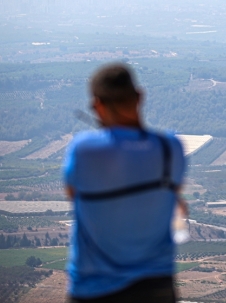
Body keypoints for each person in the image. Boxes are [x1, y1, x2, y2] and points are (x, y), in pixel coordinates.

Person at [63, 63, 187, 303]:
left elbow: (72, 193)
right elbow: (174, 194)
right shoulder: (170, 149)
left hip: (94, 288)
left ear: (97, 105)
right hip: (157, 286)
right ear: (140, 97)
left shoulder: (84, 150)